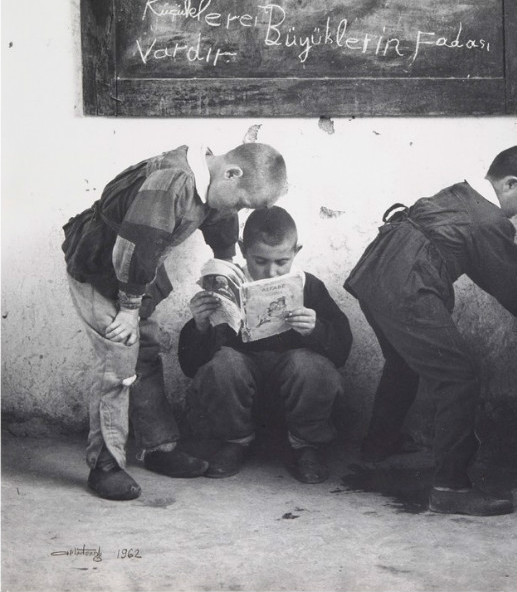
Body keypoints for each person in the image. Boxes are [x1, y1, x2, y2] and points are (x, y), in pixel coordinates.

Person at [62, 141, 287, 501]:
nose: (238, 210)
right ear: (231, 173)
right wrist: (130, 309)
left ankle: (159, 447)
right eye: (242, 203)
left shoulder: (213, 179)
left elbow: (221, 218)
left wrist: (226, 265)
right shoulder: (173, 181)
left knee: (146, 351)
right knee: (119, 359)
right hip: (100, 269)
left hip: (133, 277)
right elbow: (134, 246)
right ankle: (105, 466)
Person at [344, 144, 517, 517]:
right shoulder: (487, 220)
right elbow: (503, 280)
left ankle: (378, 445)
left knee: (403, 362)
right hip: (405, 286)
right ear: (509, 184)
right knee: (459, 377)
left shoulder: (460, 194)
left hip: (374, 274)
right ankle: (450, 488)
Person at [178, 206, 352, 483]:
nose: (271, 271)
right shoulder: (226, 286)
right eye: (259, 261)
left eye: (282, 261)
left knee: (312, 366)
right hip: (239, 403)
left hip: (294, 402)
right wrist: (200, 326)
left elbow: (342, 352)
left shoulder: (309, 286)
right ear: (242, 249)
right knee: (223, 364)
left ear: (296, 251)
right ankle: (235, 442)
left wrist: (316, 329)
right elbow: (192, 367)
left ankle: (306, 446)